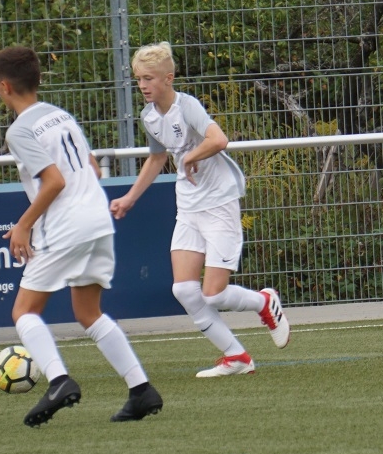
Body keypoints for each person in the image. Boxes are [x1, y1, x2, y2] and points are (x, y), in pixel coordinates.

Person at [0, 46, 162, 426]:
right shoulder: (61, 116)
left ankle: (59, 381)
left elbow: (54, 181)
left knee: (24, 311)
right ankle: (141, 390)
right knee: (88, 312)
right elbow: (92, 171)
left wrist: (24, 225)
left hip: (66, 226)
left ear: (4, 87)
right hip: (97, 220)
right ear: (37, 79)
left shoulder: (19, 130)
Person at [110, 41, 290, 378]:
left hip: (219, 203)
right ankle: (237, 357)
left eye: (149, 78)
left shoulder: (187, 106)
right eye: (139, 79)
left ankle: (264, 302)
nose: (143, 85)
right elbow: (157, 158)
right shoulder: (149, 116)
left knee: (214, 293)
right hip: (189, 207)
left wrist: (191, 156)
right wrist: (131, 197)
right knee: (183, 289)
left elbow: (218, 140)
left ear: (168, 78)